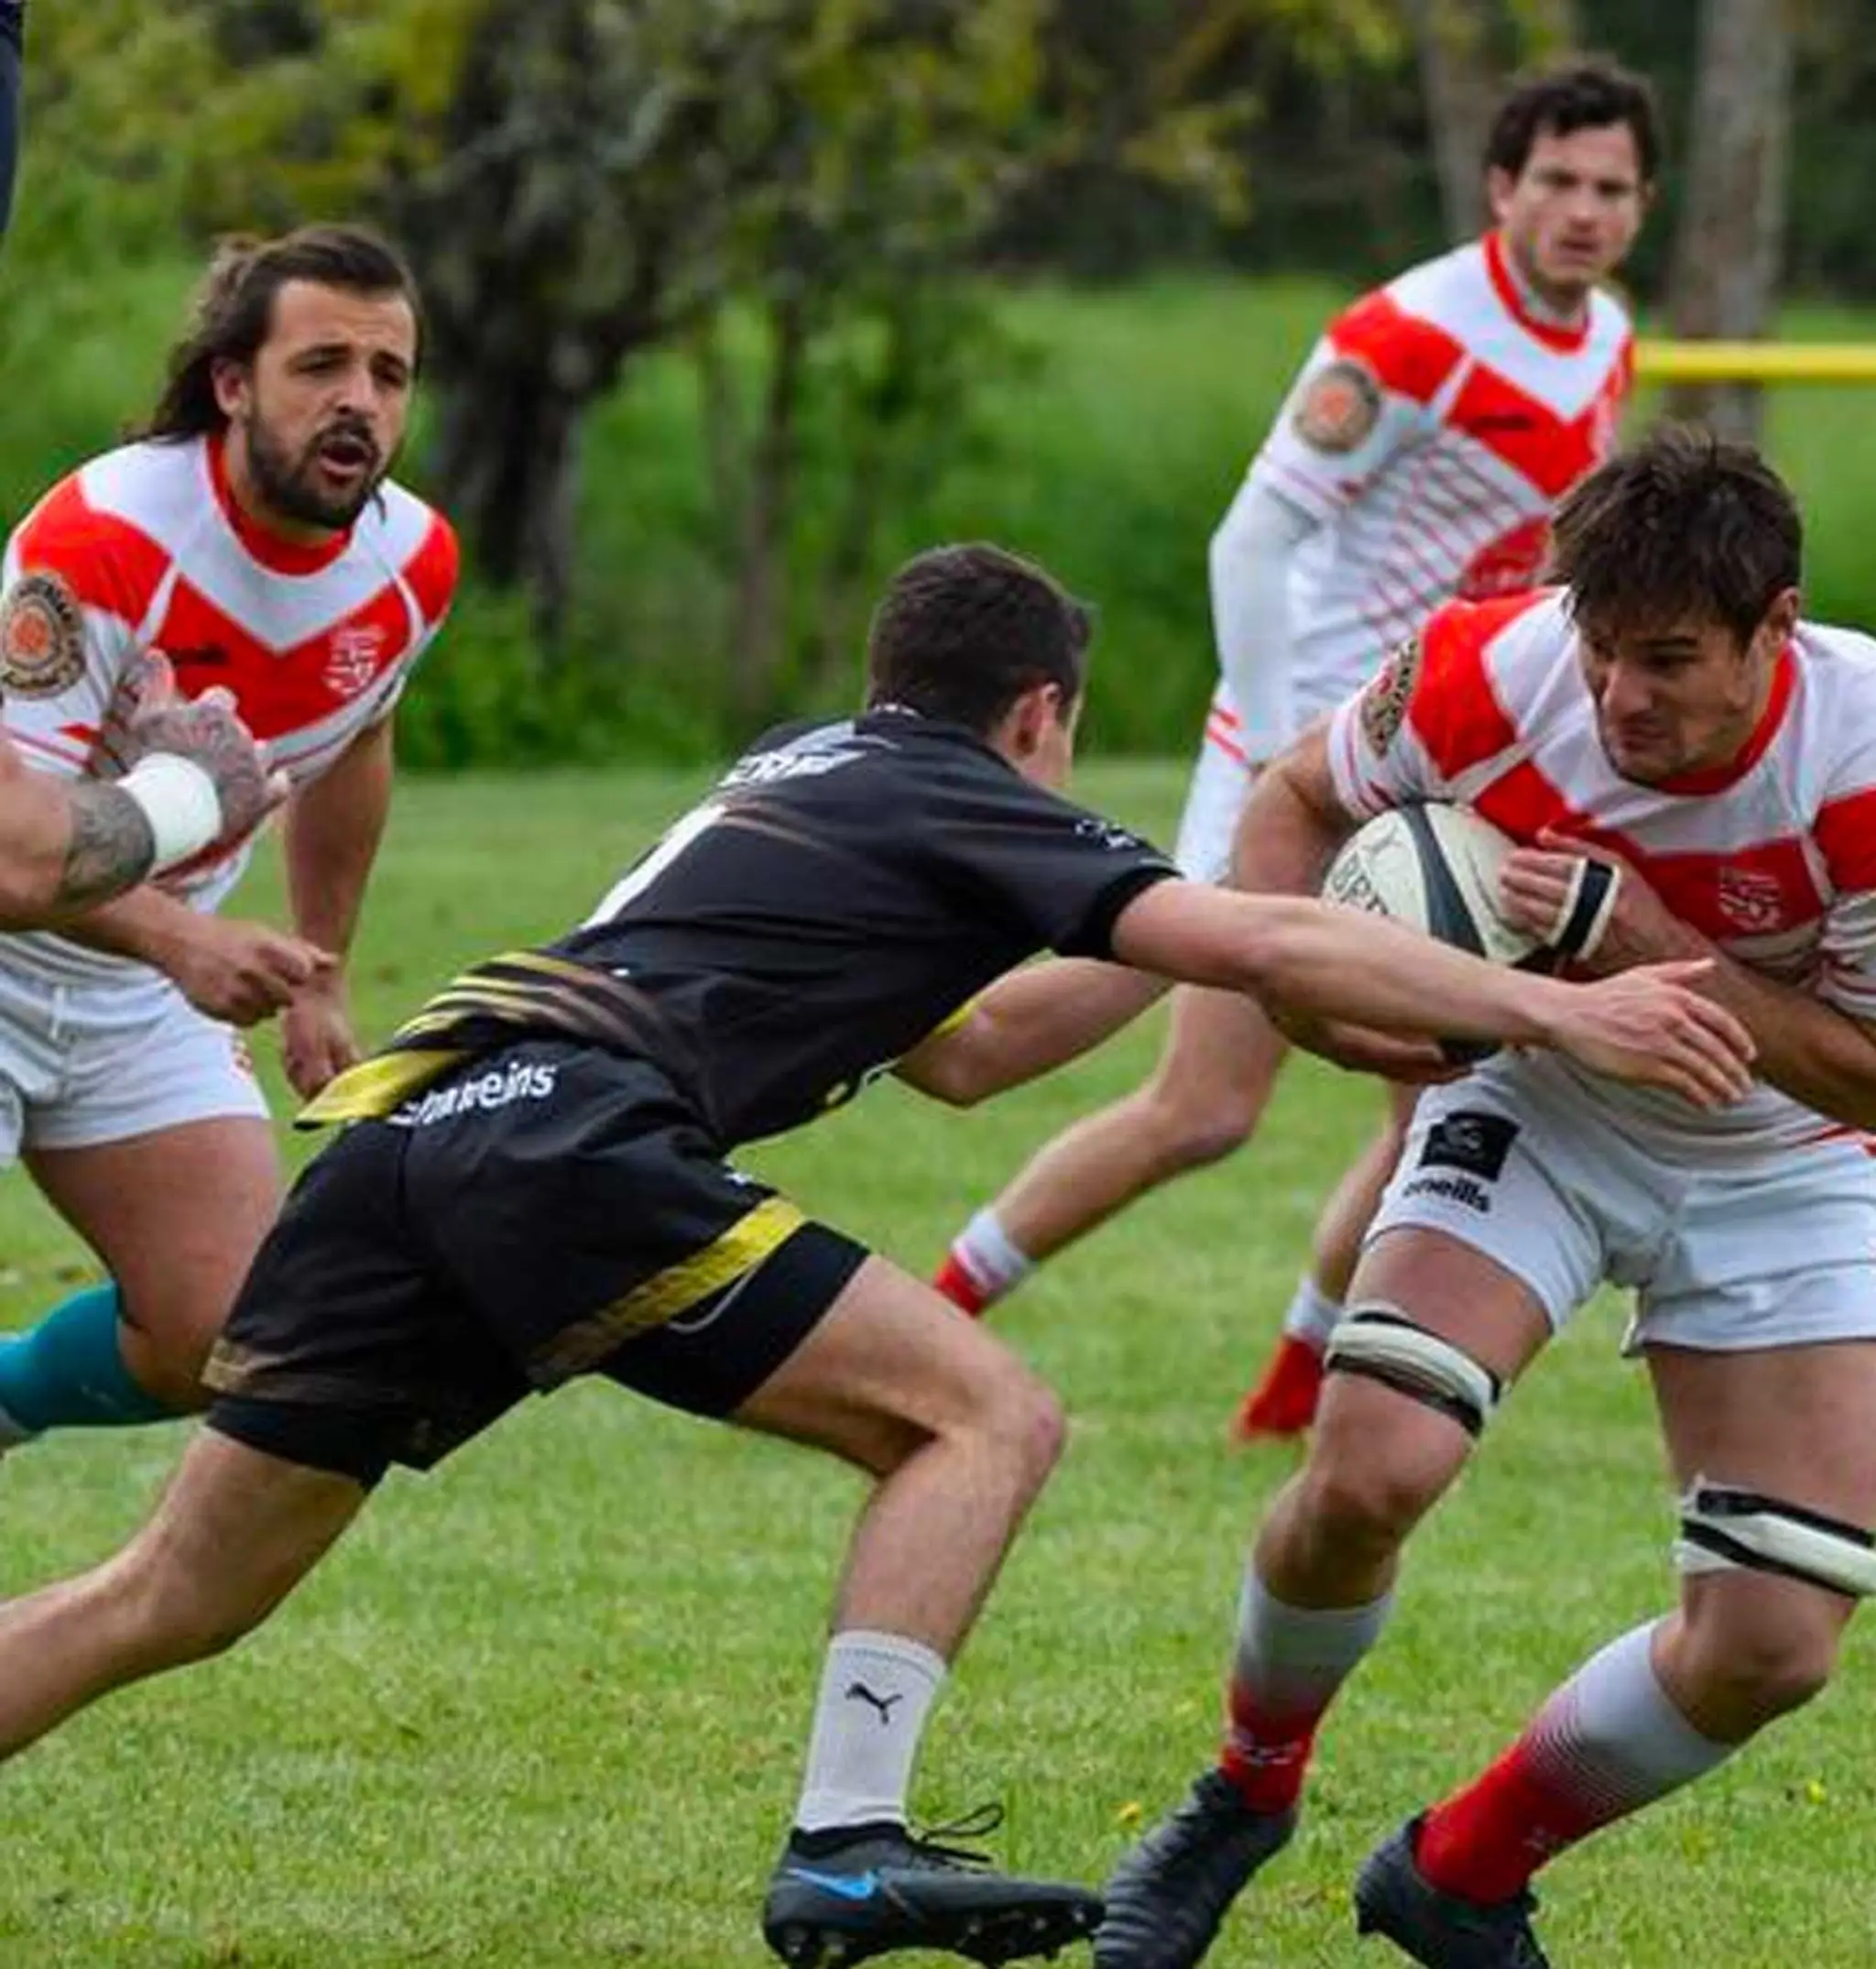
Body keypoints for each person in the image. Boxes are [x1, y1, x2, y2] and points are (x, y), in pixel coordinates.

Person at [0, 544, 1747, 1969]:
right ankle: (846, 1844)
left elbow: (966, 1053)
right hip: (570, 1135)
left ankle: (850, 1846)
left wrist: (1239, 951)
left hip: (417, 1127)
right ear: (1040, 715)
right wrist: (1545, 1008)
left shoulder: (800, 770)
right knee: (982, 1420)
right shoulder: (962, 793)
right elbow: (1247, 925)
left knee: (169, 1596)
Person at [1094, 428, 1876, 1969]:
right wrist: (1330, 1017)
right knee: (1373, 1461)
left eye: (1666, 661)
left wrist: (1645, 939)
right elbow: (1297, 798)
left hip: (1790, 1158)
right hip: (1543, 1098)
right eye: (1599, 652)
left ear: (1776, 629)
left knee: (1774, 1644)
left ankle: (1459, 1872)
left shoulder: (1861, 769)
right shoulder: (1490, 670)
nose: (1617, 701)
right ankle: (1244, 1794)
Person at [932, 58, 1658, 1443]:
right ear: (1502, 186)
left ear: (1640, 206)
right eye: (1556, 180)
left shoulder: (1607, 336)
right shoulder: (1405, 336)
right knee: (1202, 1109)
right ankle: (933, 1300)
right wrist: (1283, 759)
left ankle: (1285, 1404)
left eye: (1611, 188)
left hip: (1453, 750)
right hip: (1312, 744)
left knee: (1435, 1097)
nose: (1582, 210)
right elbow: (1252, 538)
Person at [0, 221, 458, 1454]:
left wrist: (324, 966)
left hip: (142, 984)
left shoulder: (413, 561)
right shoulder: (104, 539)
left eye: (388, 374)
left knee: (227, 1333)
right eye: (321, 367)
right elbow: (10, 857)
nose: (358, 403)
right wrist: (181, 947)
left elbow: (358, 739)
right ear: (232, 382)